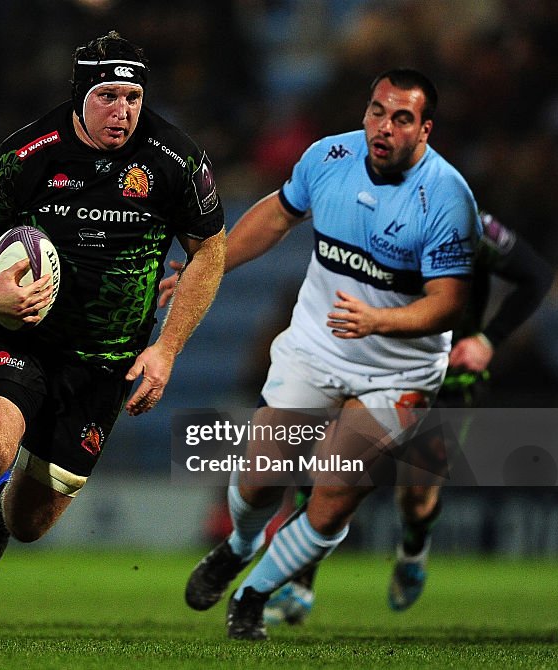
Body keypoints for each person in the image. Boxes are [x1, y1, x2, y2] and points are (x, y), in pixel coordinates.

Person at [0, 30, 226, 645]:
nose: (124, 111)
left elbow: (209, 250)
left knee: (31, 523)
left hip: (107, 364)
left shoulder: (174, 159)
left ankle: (0, 516)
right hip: (23, 338)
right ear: (80, 93)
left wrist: (164, 350)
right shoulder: (30, 153)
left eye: (133, 97)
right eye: (108, 96)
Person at [182, 68, 480, 641]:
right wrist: (210, 265)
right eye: (376, 111)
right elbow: (276, 213)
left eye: (401, 118)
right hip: (318, 346)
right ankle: (238, 547)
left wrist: (381, 320)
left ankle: (253, 593)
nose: (383, 127)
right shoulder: (328, 157)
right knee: (259, 482)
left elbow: (447, 305)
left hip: (399, 369)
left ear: (425, 131)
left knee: (334, 492)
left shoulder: (447, 199)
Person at [260, 209, 553, 625]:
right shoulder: (360, 218)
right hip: (375, 370)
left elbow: (536, 275)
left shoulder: (468, 225)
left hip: (445, 378)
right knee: (335, 469)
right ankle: (299, 584)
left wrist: (488, 340)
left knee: (416, 495)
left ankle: (414, 549)